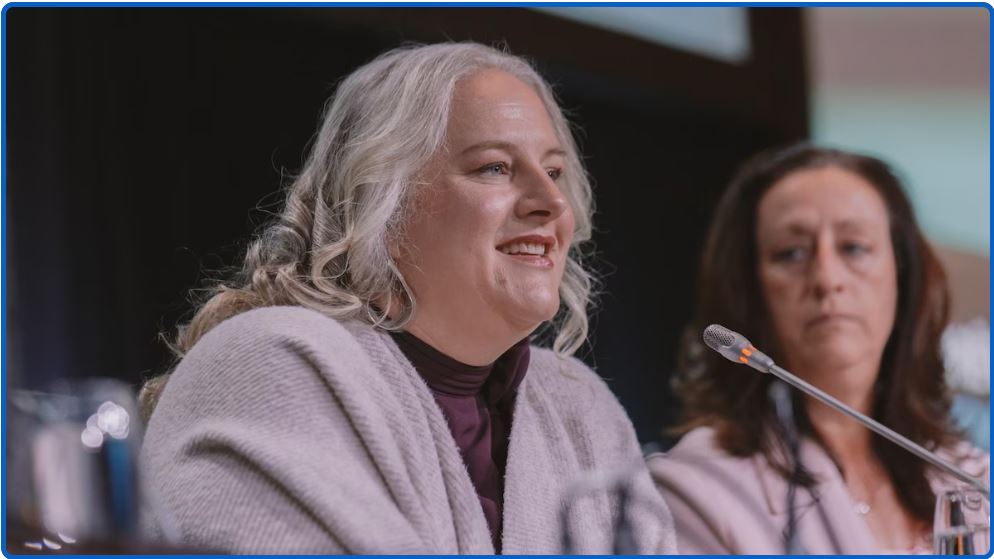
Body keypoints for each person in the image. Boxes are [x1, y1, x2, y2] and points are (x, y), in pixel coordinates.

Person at [139, 42, 676, 554]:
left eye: (554, 171)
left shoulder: (581, 407)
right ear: (382, 203)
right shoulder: (267, 363)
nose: (551, 201)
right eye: (495, 167)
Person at [649, 144, 989, 554]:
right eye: (791, 253)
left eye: (853, 247)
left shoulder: (969, 474)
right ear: (750, 292)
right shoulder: (699, 484)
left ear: (902, 276)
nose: (827, 279)